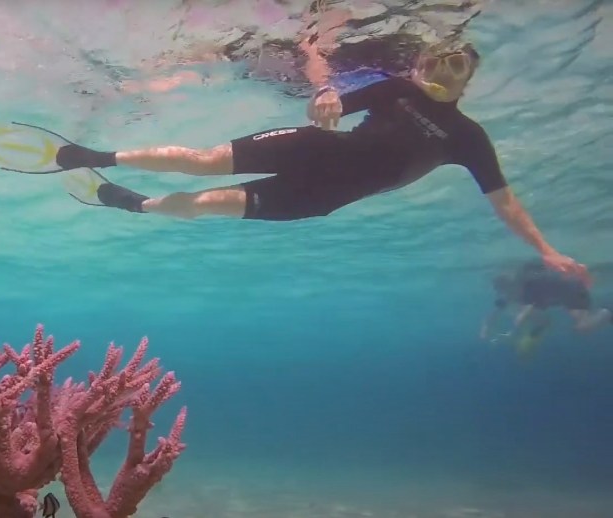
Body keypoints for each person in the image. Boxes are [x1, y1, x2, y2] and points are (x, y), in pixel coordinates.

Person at [41, 38, 589, 284]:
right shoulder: (396, 87)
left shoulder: (467, 138)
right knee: (201, 160)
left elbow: (506, 201)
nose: (439, 71)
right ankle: (96, 155)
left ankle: (135, 205)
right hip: (314, 147)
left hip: (323, 196)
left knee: (206, 203)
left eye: (455, 67)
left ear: (468, 81)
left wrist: (547, 250)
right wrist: (325, 100)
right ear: (421, 63)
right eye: (433, 61)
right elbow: (330, 106)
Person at [480, 261, 611, 343]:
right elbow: (495, 312)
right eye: (502, 291)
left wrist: (514, 330)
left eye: (504, 289)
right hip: (567, 292)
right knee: (582, 325)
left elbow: (527, 312)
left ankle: (608, 310)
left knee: (584, 327)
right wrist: (485, 328)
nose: (505, 295)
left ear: (511, 284)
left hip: (570, 290)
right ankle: (606, 311)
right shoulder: (515, 292)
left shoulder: (529, 287)